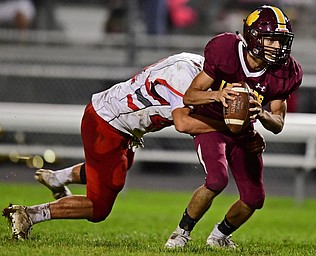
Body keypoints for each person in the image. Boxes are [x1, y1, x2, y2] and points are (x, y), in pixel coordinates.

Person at [2, 52, 265, 240]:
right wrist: (232, 127)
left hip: (119, 124)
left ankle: (57, 177)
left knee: (119, 168)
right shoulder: (184, 76)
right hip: (108, 124)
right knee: (99, 206)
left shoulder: (200, 67)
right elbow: (184, 123)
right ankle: (29, 214)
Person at [165, 5, 303, 249]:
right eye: (272, 39)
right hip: (212, 124)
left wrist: (261, 113)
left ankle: (219, 236)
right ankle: (180, 233)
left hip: (244, 131)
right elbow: (190, 97)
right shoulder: (226, 51)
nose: (278, 47)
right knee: (217, 179)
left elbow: (278, 123)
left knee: (254, 198)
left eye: (281, 41)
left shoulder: (284, 71)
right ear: (254, 37)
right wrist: (218, 95)